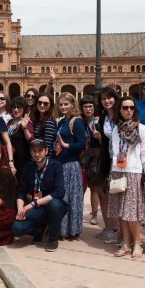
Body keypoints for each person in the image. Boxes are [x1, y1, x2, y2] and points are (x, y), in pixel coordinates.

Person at [108, 97, 145, 258]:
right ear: (120, 109)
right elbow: (114, 151)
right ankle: (126, 244)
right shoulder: (116, 129)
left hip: (133, 172)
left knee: (131, 212)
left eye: (131, 108)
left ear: (135, 110)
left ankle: (138, 243)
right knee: (121, 212)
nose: (128, 110)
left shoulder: (141, 129)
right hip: (117, 171)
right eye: (125, 107)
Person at [12, 139, 67, 252]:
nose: (37, 154)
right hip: (38, 209)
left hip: (53, 206)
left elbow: (59, 192)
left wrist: (33, 203)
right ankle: (40, 230)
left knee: (54, 205)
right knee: (17, 229)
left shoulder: (56, 166)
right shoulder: (28, 168)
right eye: (34, 151)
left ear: (46, 151)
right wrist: (20, 209)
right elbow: (22, 192)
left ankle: (53, 238)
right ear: (31, 152)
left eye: (40, 150)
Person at [54, 92, 86, 239]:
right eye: (60, 104)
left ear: (73, 105)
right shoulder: (61, 122)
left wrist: (66, 145)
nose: (63, 107)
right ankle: (62, 228)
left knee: (72, 197)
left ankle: (73, 229)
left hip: (71, 164)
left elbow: (82, 144)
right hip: (61, 164)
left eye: (66, 104)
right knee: (63, 197)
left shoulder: (77, 121)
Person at [95, 86, 121, 242]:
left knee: (118, 193)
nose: (107, 101)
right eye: (103, 98)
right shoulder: (104, 119)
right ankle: (112, 228)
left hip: (122, 161)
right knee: (108, 193)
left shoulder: (122, 115)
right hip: (109, 160)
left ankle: (117, 230)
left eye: (109, 97)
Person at [78, 95, 101, 224]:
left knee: (94, 187)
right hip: (83, 157)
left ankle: (94, 215)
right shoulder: (79, 122)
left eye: (90, 106)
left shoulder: (99, 121)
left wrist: (98, 137)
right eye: (85, 107)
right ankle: (78, 211)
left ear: (94, 107)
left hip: (96, 156)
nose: (88, 109)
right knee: (81, 185)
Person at [7, 96, 34, 184]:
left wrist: (25, 128)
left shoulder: (27, 122)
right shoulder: (10, 122)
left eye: (19, 107)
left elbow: (31, 141)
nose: (16, 109)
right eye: (14, 107)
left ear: (24, 109)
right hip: (10, 159)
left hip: (22, 161)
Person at [31, 93, 57, 158]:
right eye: (40, 102)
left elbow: (46, 145)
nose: (42, 105)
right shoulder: (38, 119)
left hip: (44, 159)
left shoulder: (49, 121)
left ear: (50, 106)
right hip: (37, 156)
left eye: (45, 103)